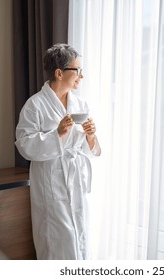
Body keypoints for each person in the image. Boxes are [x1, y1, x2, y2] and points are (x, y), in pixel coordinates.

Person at [15, 43, 101, 260]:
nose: (81, 76)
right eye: (77, 70)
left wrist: (90, 136)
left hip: (76, 181)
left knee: (79, 237)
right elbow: (24, 145)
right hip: (51, 183)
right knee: (56, 240)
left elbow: (84, 147)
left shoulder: (80, 104)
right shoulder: (35, 105)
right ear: (59, 72)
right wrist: (58, 134)